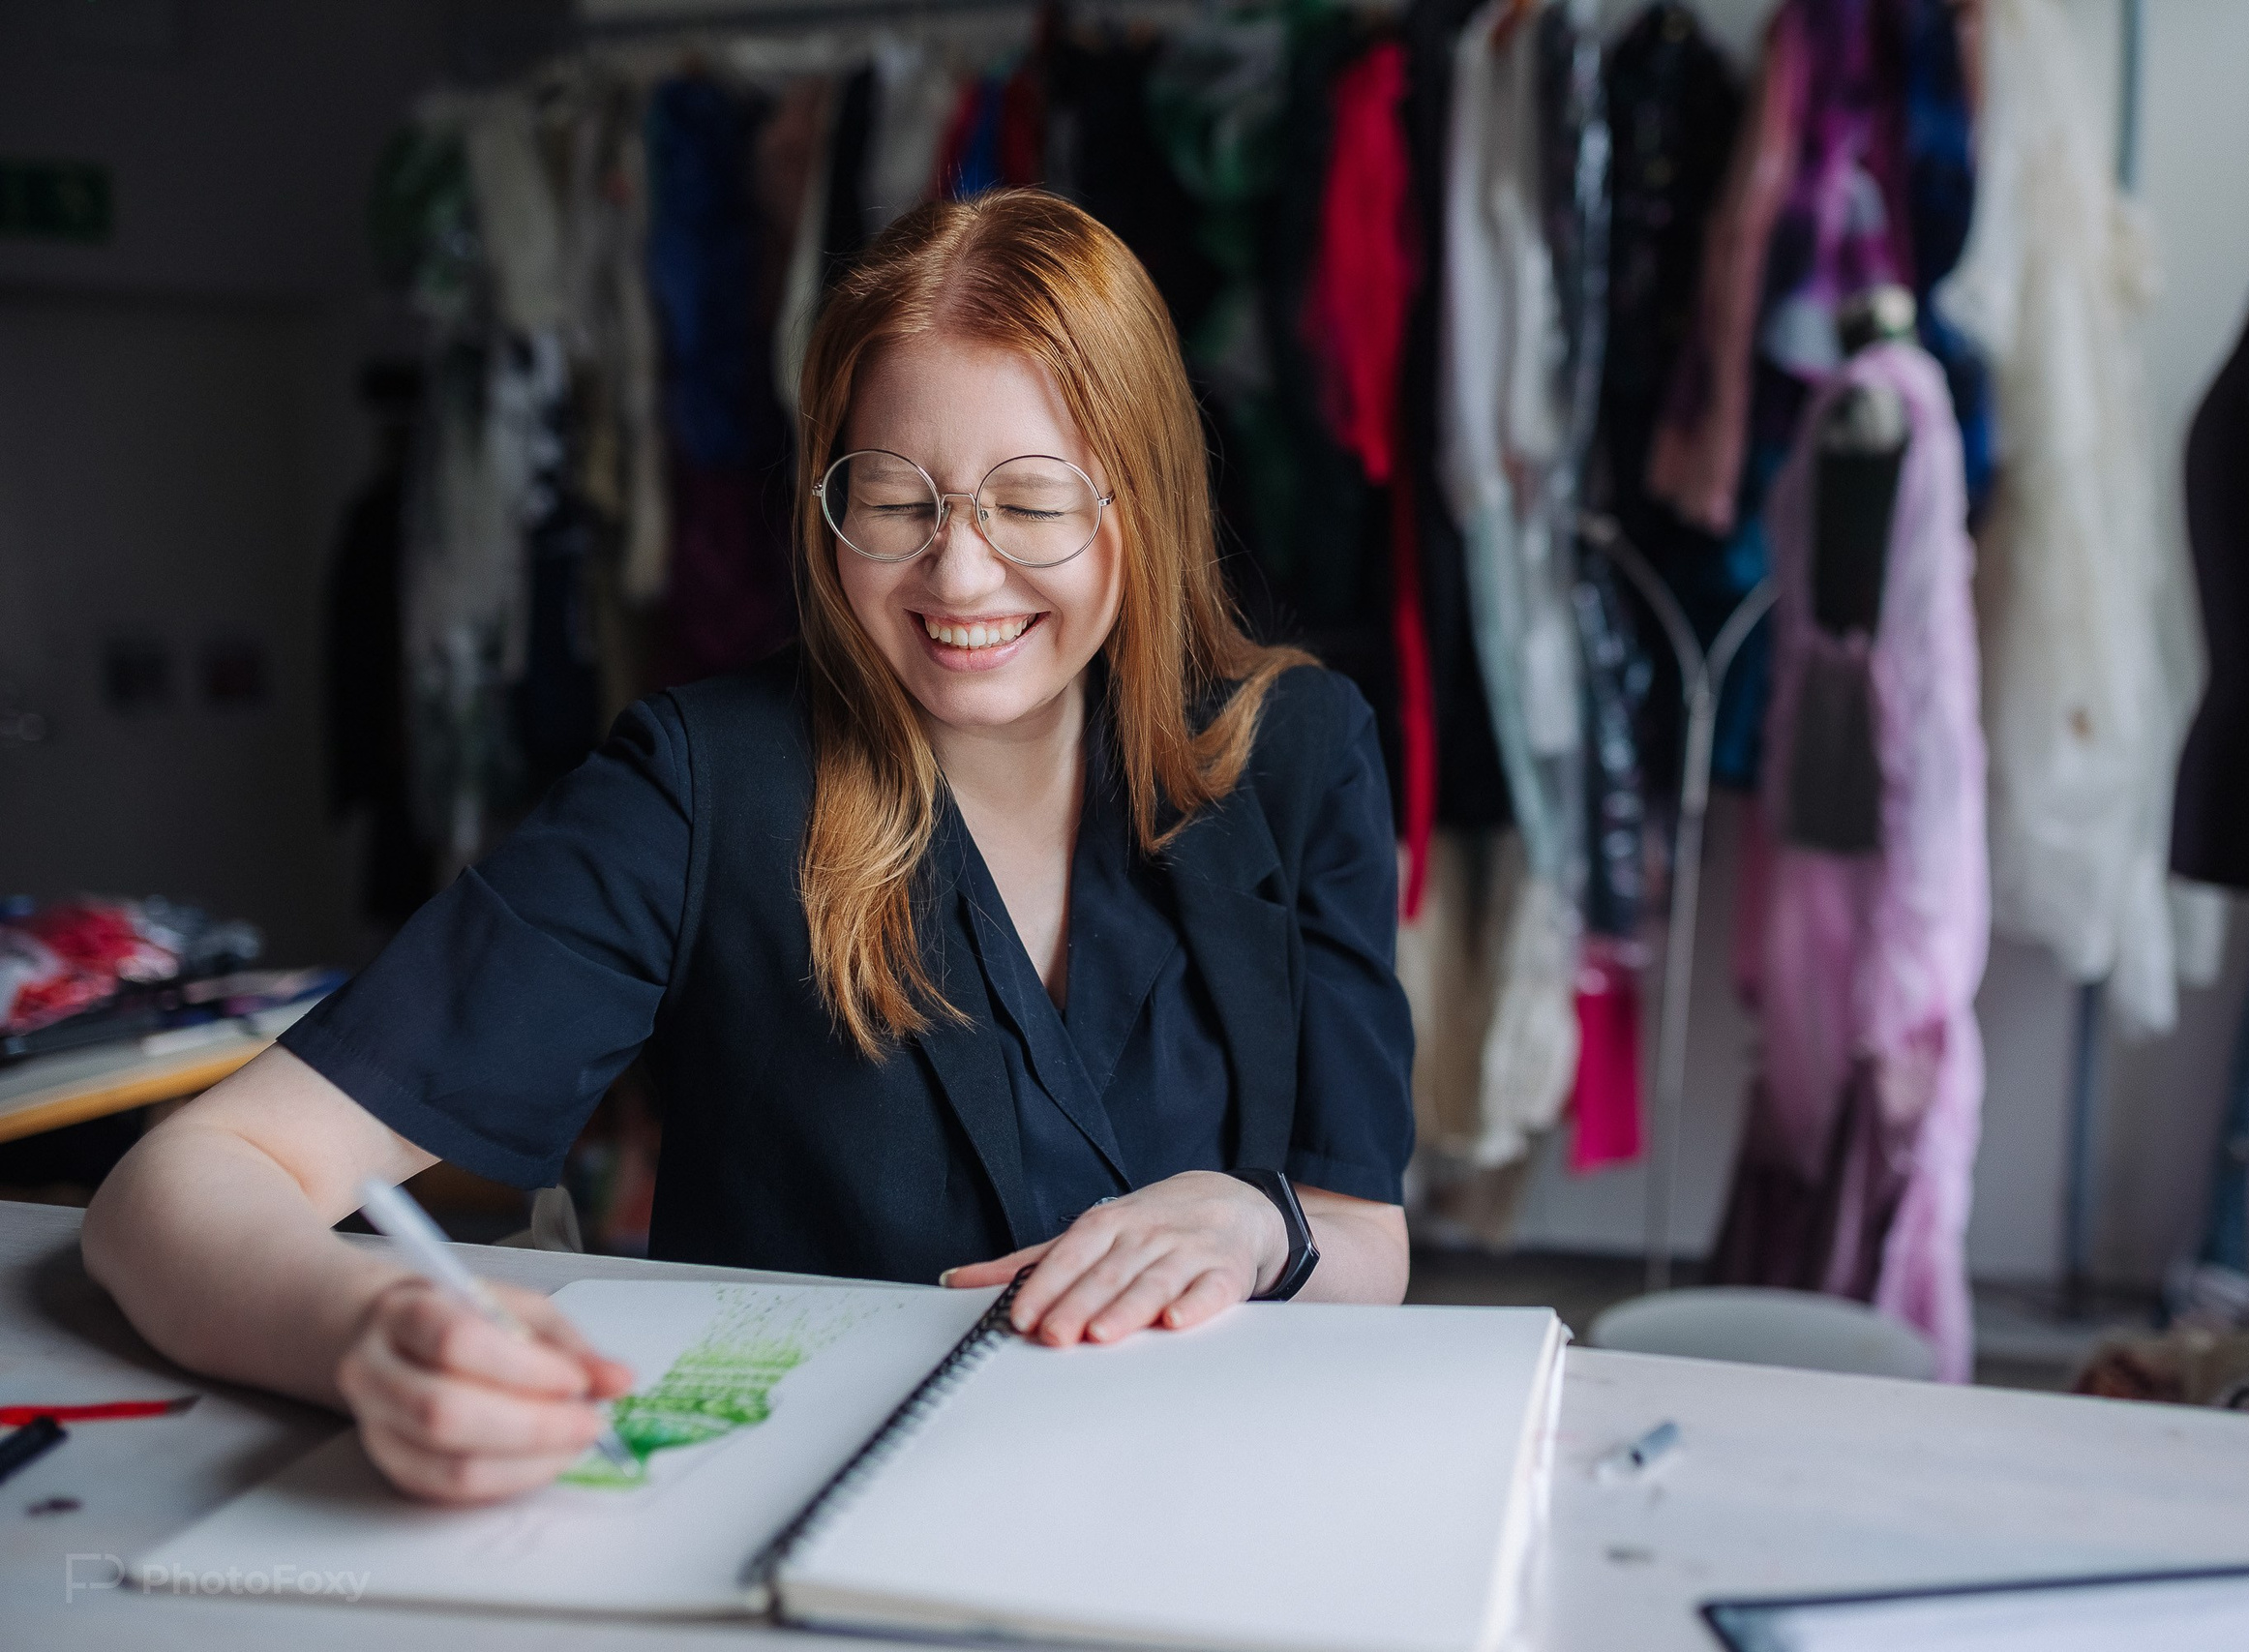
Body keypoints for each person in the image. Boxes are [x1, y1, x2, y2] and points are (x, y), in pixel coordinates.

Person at [82, 192, 1416, 1505]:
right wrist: (366, 1333)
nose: (958, 578)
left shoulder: (1298, 754)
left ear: (1145, 497)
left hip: (1201, 1513)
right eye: (895, 502)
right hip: (793, 1532)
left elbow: (1363, 1240)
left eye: (1031, 501)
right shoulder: (699, 788)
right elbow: (180, 1188)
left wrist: (1256, 1224)